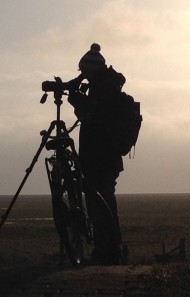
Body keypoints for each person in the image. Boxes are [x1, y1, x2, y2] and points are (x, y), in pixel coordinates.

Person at [67, 43, 125, 265]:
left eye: (84, 71)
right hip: (104, 157)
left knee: (100, 204)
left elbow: (91, 116)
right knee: (104, 203)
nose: (82, 75)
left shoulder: (104, 88)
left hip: (100, 157)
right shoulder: (105, 85)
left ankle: (107, 253)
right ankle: (108, 251)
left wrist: (75, 99)